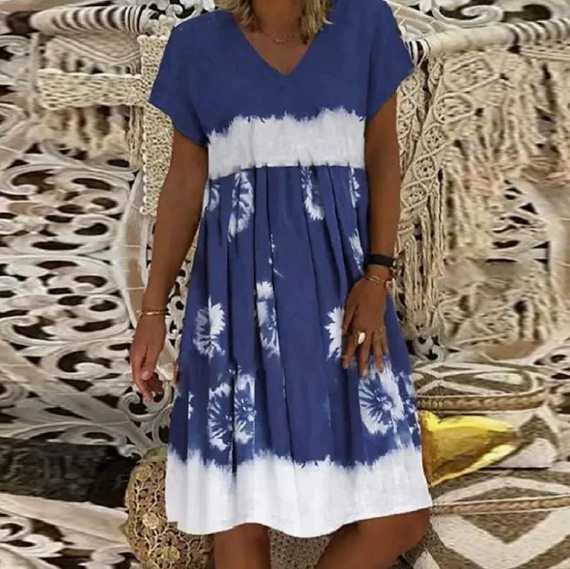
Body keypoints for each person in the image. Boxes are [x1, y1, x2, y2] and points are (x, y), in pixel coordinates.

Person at [129, 0, 432, 567]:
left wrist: (377, 274)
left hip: (345, 300)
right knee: (241, 509)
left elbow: (383, 155)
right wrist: (152, 311)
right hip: (235, 305)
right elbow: (184, 185)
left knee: (398, 517)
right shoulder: (195, 45)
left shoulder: (364, 22)